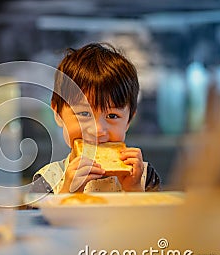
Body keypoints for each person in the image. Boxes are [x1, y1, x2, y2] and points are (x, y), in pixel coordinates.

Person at [31, 42, 160, 194]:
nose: (98, 130)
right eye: (84, 114)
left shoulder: (144, 176)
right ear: (58, 114)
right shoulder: (47, 180)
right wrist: (68, 192)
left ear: (128, 121)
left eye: (112, 116)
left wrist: (134, 190)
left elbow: (155, 218)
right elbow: (39, 218)